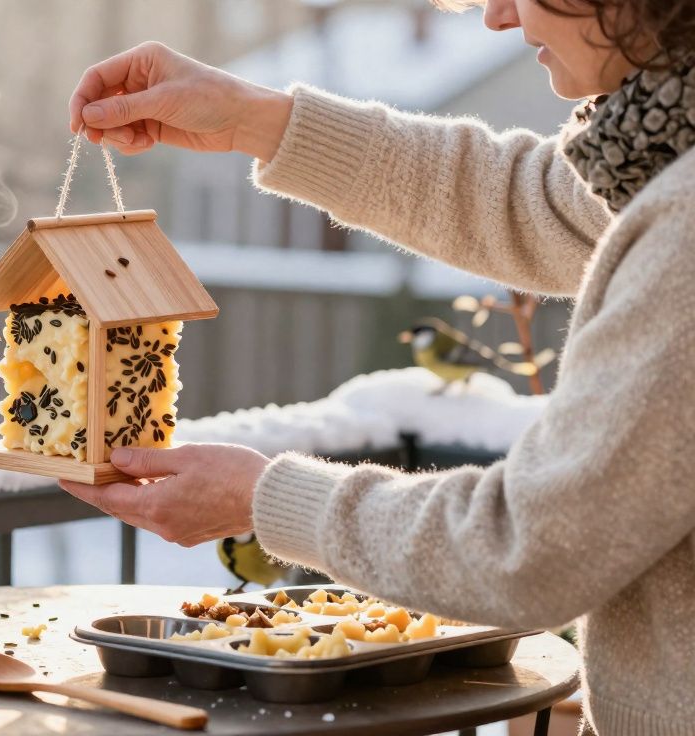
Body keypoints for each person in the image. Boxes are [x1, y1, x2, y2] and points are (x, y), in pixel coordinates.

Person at [58, 1, 695, 733]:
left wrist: (264, 499)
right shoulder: (661, 152)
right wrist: (256, 120)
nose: (497, 17)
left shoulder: (684, 230)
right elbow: (536, 203)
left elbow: (533, 546)